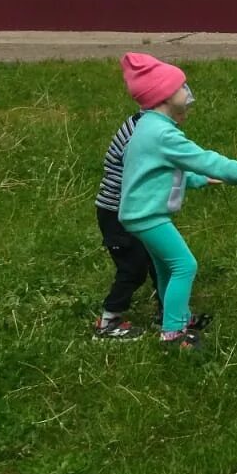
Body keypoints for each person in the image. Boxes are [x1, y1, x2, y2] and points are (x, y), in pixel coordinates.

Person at [116, 53, 237, 350]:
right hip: (148, 216)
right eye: (182, 87)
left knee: (167, 268)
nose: (188, 93)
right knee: (185, 265)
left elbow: (157, 173)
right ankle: (172, 333)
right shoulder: (162, 133)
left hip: (141, 212)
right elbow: (204, 159)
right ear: (164, 96)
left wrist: (196, 180)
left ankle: (175, 319)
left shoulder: (148, 126)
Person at [93, 106, 160, 340]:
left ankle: (168, 312)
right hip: (117, 213)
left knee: (158, 258)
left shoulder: (147, 125)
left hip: (137, 210)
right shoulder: (140, 133)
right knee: (133, 269)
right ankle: (108, 322)